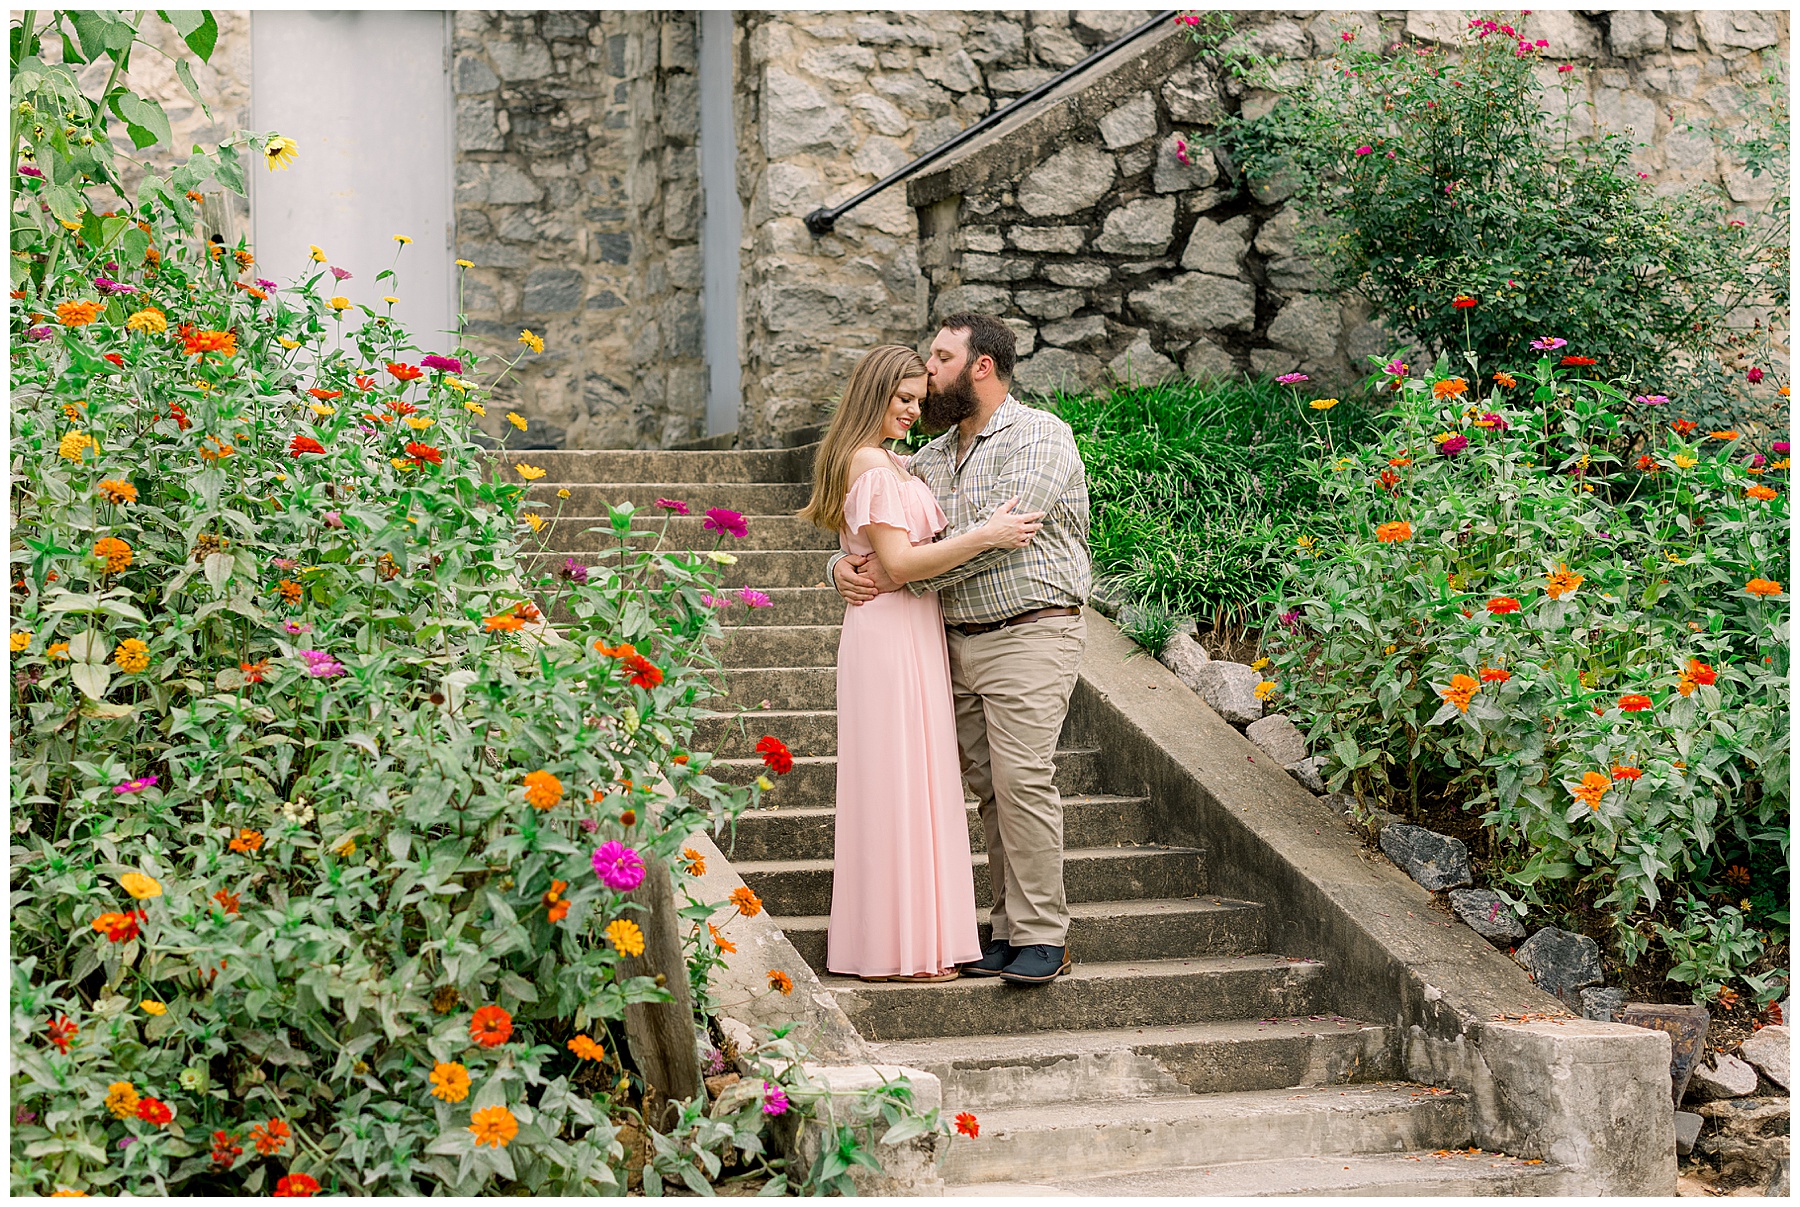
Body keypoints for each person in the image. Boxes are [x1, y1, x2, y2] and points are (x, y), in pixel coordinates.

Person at [828, 314, 1091, 986]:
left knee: (1022, 777)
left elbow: (1003, 532)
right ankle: (1004, 929)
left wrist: (893, 572)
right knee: (988, 788)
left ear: (980, 365)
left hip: (1031, 628)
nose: (928, 371)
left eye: (941, 358)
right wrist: (840, 568)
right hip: (952, 640)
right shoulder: (931, 455)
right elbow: (876, 517)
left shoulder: (1041, 437)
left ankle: (1042, 935)